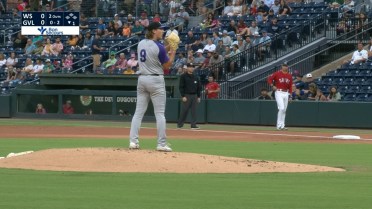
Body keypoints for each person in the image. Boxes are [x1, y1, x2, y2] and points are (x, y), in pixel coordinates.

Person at [129, 22, 176, 152]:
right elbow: (167, 65)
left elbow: (155, 51)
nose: (162, 31)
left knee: (138, 113)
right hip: (155, 80)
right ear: (154, 31)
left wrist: (168, 47)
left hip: (142, 79)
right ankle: (161, 144)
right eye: (160, 29)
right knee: (160, 114)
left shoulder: (141, 44)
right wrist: (174, 50)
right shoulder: (159, 47)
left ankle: (133, 142)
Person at [267, 64, 293, 130]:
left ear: (287, 67)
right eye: (284, 66)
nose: (285, 67)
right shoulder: (277, 73)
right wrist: (272, 85)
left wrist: (290, 96)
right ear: (282, 67)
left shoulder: (289, 75)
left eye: (286, 66)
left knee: (284, 110)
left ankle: (282, 125)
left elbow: (290, 86)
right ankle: (278, 125)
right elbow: (269, 79)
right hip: (279, 92)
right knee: (281, 108)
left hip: (286, 93)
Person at [177, 63, 202, 129]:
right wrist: (183, 96)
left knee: (194, 111)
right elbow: (181, 87)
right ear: (187, 68)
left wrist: (199, 96)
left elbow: (199, 87)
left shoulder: (196, 76)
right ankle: (180, 124)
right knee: (184, 111)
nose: (191, 68)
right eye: (190, 67)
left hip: (194, 95)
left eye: (192, 67)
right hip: (187, 95)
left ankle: (193, 125)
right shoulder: (183, 76)